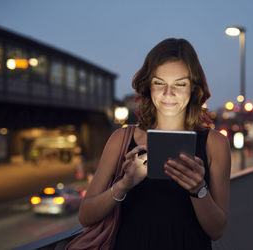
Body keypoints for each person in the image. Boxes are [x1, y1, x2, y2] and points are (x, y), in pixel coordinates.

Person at [78, 38, 231, 250]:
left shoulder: (215, 144)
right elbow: (85, 216)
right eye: (160, 83)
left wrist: (198, 189)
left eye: (180, 84)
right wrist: (124, 184)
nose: (169, 94)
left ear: (193, 88)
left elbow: (217, 230)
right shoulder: (120, 140)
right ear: (148, 85)